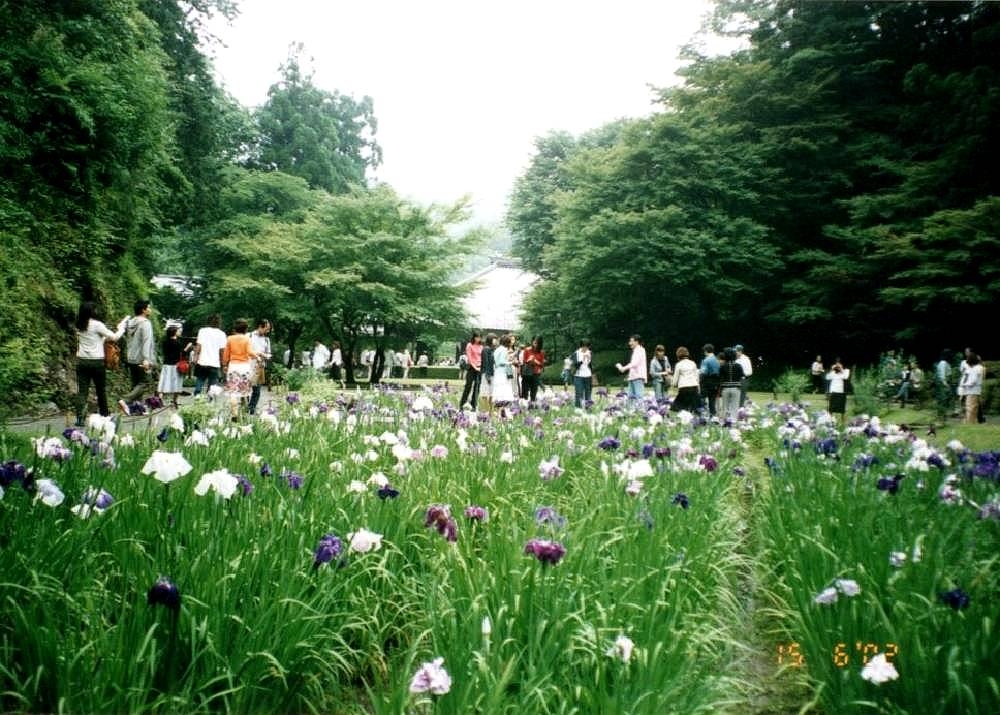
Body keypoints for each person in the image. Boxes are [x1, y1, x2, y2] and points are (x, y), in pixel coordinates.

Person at [74, 301, 128, 425]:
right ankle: (104, 415)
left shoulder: (79, 324)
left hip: (82, 361)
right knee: (100, 390)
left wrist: (103, 338)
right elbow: (114, 337)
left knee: (82, 391)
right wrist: (121, 328)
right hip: (97, 362)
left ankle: (80, 418)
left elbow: (94, 339)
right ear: (92, 311)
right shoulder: (97, 325)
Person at [119, 299, 156, 413]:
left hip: (131, 357)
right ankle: (125, 400)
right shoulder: (145, 323)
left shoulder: (130, 323)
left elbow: (123, 333)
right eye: (148, 307)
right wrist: (146, 359)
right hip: (141, 358)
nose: (150, 310)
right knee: (145, 383)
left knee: (136, 384)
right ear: (143, 310)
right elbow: (146, 341)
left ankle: (137, 408)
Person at [222, 318, 259, 419]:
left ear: (235, 328)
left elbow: (226, 354)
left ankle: (234, 415)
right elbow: (250, 352)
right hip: (244, 367)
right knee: (244, 392)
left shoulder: (230, 339)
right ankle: (243, 414)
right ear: (246, 329)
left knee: (233, 392)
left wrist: (224, 365)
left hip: (233, 366)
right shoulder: (247, 339)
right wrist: (257, 356)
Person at [157, 325, 191, 409]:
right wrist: (187, 347)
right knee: (177, 383)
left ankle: (160, 399)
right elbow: (181, 354)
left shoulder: (165, 342)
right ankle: (174, 401)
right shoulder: (177, 343)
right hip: (175, 365)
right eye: (178, 331)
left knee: (164, 381)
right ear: (174, 333)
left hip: (166, 364)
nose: (179, 332)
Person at [193, 314, 227, 398]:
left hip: (202, 361)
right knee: (212, 386)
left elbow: (198, 346)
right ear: (219, 323)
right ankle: (209, 401)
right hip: (214, 363)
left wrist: (195, 357)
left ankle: (197, 396)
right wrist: (223, 364)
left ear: (208, 321)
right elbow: (222, 351)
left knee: (200, 379)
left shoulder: (202, 331)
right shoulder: (222, 334)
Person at [248, 319, 272, 415]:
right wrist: (257, 354)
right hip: (247, 366)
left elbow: (269, 353)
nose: (268, 331)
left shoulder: (267, 340)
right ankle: (244, 406)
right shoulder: (249, 336)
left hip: (259, 367)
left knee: (257, 390)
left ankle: (251, 409)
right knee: (244, 389)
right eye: (267, 328)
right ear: (260, 326)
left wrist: (266, 356)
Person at [616, 334, 648, 402]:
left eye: (631, 341)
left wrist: (623, 368)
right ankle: (631, 409)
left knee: (638, 398)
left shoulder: (640, 350)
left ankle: (639, 409)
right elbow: (634, 365)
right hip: (633, 377)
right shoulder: (636, 350)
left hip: (638, 377)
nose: (629, 343)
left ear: (637, 342)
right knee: (630, 398)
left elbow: (634, 363)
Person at [719, 347, 746, 422]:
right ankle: (733, 421)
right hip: (736, 388)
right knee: (735, 406)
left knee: (725, 406)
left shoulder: (723, 366)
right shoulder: (738, 366)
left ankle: (725, 421)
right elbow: (743, 376)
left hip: (725, 388)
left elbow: (720, 377)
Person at [670, 346, 701, 412]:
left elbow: (675, 378)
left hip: (684, 388)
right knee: (694, 408)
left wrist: (674, 385)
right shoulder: (693, 363)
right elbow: (696, 377)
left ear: (678, 355)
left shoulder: (678, 365)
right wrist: (698, 387)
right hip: (694, 387)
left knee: (677, 408)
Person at [491, 334, 516, 414]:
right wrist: (510, 362)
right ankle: (503, 411)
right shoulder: (504, 350)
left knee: (499, 392)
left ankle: (499, 411)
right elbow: (501, 361)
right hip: (503, 373)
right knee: (504, 392)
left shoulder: (497, 349)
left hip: (497, 372)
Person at [458, 332, 483, 410]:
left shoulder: (481, 346)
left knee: (477, 387)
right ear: (474, 337)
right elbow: (469, 358)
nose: (478, 339)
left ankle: (474, 405)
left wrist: (480, 367)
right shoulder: (469, 345)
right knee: (468, 386)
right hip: (472, 368)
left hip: (479, 367)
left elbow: (482, 357)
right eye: (477, 337)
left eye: (480, 337)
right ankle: (462, 404)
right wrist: (475, 367)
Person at [959, 353, 984, 424]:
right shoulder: (975, 368)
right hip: (971, 390)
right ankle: (970, 422)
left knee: (970, 408)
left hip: (972, 390)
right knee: (971, 407)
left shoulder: (977, 368)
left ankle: (970, 423)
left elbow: (973, 381)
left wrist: (964, 384)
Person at [826, 357, 851, 426]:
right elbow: (827, 377)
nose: (837, 366)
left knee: (842, 410)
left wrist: (841, 369)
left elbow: (846, 377)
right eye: (837, 364)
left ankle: (843, 423)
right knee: (831, 408)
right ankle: (829, 421)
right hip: (833, 391)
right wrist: (831, 370)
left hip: (841, 392)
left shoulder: (846, 370)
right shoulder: (833, 372)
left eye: (839, 364)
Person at [520, 336, 546, 402]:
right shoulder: (527, 350)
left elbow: (542, 364)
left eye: (537, 342)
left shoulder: (541, 352)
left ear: (540, 343)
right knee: (525, 390)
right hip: (527, 372)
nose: (535, 343)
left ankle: (532, 403)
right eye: (534, 341)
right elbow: (524, 361)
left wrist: (536, 361)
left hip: (536, 373)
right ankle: (524, 403)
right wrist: (529, 360)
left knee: (534, 390)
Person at [699, 343, 721, 417]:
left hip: (706, 382)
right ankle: (713, 416)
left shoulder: (706, 360)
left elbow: (703, 373)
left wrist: (700, 381)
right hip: (716, 383)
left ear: (706, 351)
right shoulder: (717, 360)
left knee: (702, 399)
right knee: (712, 401)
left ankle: (701, 415)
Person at [572, 339, 594, 408]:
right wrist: (582, 360)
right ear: (581, 346)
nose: (586, 349)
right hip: (578, 376)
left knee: (588, 394)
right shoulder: (576, 353)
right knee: (579, 393)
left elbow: (591, 365)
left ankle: (588, 409)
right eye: (584, 347)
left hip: (588, 375)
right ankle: (578, 410)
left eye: (587, 347)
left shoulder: (590, 352)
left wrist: (589, 360)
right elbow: (575, 366)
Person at [934, 350, 953, 421]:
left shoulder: (946, 363)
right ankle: (941, 415)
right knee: (943, 399)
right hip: (942, 383)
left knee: (944, 399)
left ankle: (942, 414)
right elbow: (942, 374)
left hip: (944, 382)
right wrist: (945, 383)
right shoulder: (943, 363)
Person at [480, 334, 496, 410]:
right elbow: (485, 363)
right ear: (490, 340)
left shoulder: (493, 349)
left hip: (492, 373)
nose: (496, 341)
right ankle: (486, 409)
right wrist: (487, 375)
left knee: (491, 393)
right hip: (487, 374)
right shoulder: (486, 349)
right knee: (485, 392)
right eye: (494, 339)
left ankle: (490, 410)